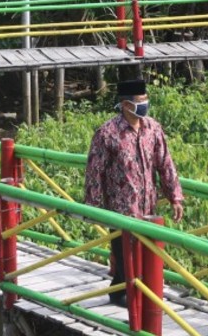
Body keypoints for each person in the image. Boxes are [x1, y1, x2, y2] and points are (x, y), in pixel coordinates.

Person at [83, 78, 184, 307]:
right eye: (140, 101)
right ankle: (121, 294)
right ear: (126, 104)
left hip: (149, 207)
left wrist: (174, 196)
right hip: (121, 210)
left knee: (148, 253)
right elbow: (94, 172)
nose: (145, 104)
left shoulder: (153, 129)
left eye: (146, 99)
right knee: (125, 256)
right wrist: (92, 207)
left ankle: (142, 293)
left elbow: (165, 164)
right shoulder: (108, 133)